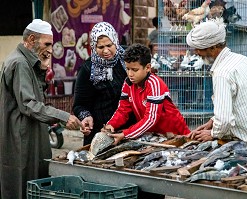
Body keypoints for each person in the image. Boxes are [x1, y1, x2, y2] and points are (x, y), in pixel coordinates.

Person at [0, 19, 83, 199]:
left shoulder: (27, 62)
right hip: (21, 136)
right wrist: (62, 116)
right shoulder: (20, 63)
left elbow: (35, 95)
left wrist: (43, 68)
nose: (50, 49)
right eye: (47, 44)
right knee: (24, 183)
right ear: (31, 39)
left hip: (30, 133)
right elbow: (29, 104)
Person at [185, 18, 247, 144]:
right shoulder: (242, 60)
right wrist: (212, 122)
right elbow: (238, 104)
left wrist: (213, 133)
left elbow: (224, 120)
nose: (196, 52)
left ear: (213, 48)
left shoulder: (222, 73)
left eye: (198, 48)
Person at [103, 43, 190, 145]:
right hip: (154, 137)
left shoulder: (154, 84)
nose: (130, 74)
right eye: (128, 69)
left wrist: (126, 134)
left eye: (135, 70)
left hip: (175, 135)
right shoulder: (128, 83)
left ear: (148, 67)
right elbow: (123, 110)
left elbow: (151, 119)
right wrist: (111, 124)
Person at [73, 22, 135, 145]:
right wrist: (85, 117)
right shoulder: (87, 69)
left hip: (129, 131)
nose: (106, 51)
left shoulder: (127, 60)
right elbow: (79, 105)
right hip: (101, 134)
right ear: (94, 47)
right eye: (100, 47)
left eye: (109, 45)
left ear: (115, 42)